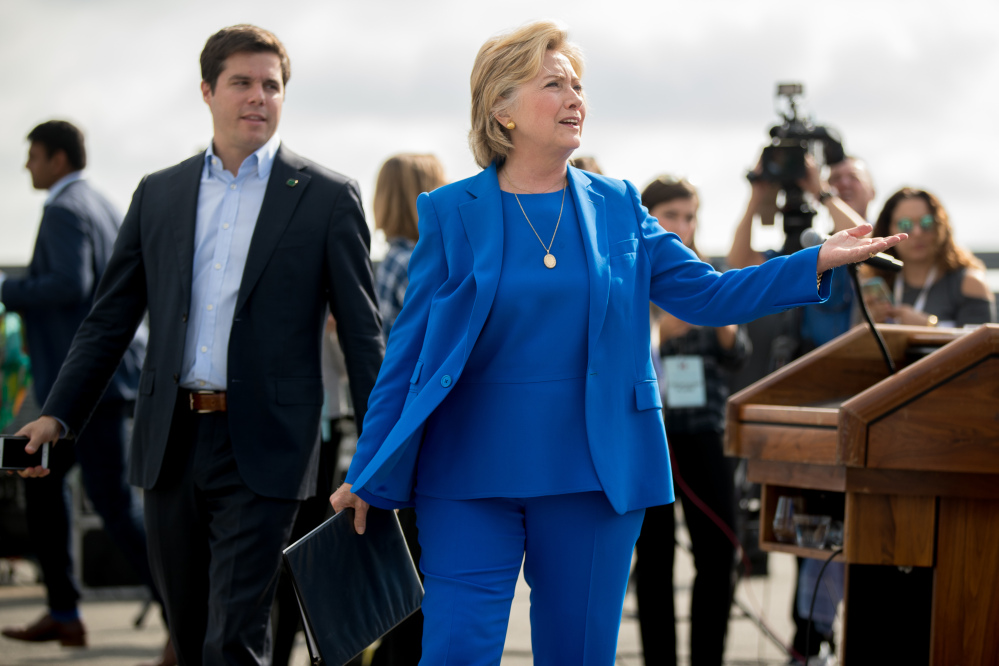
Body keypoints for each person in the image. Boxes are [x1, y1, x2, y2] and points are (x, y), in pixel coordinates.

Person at [330, 20, 904, 665]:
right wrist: (366, 471)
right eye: (554, 83)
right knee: (456, 652)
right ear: (501, 109)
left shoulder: (619, 205)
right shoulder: (449, 211)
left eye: (578, 84)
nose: (575, 97)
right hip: (466, 475)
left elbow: (708, 295)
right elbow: (407, 351)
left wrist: (815, 259)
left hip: (594, 473)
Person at [14, 25, 384, 665]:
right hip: (170, 445)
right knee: (189, 637)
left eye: (272, 85)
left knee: (234, 640)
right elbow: (109, 319)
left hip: (266, 449)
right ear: (208, 91)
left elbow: (362, 337)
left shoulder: (326, 197)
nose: (258, 97)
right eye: (242, 82)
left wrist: (381, 455)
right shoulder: (160, 193)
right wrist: (57, 413)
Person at [0, 120, 173, 665]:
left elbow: (69, 284)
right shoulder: (99, 202)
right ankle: (66, 613)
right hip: (105, 379)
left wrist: (4, 287)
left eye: (32, 155)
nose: (26, 165)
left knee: (115, 506)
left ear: (56, 159)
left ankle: (182, 614)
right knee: (44, 486)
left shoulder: (62, 209)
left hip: (89, 384)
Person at [634, 176, 750, 666]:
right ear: (648, 218)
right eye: (671, 216)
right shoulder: (628, 270)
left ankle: (709, 658)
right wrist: (659, 330)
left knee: (718, 554)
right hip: (647, 433)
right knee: (654, 560)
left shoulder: (703, 272)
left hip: (704, 430)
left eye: (689, 216)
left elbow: (739, 356)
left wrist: (722, 324)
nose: (682, 226)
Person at [865, 187, 995, 327]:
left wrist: (929, 326)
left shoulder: (970, 283)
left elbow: (981, 345)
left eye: (927, 222)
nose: (917, 232)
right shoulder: (875, 285)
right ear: (887, 230)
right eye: (905, 225)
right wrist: (870, 326)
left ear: (941, 226)